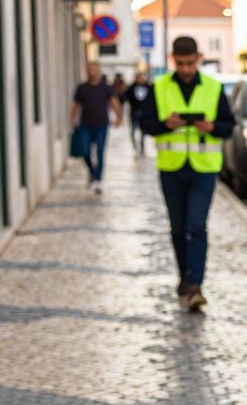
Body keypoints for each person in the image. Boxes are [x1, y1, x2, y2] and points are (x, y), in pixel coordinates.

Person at [139, 36, 236, 311]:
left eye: (190, 63)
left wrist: (212, 127)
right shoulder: (159, 87)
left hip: (204, 169)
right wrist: (165, 124)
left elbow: (229, 126)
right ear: (173, 59)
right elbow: (145, 124)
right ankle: (185, 276)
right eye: (180, 63)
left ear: (198, 59)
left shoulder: (213, 87)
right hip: (171, 168)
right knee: (178, 229)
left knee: (196, 226)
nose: (185, 69)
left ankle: (195, 285)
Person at [70, 61, 123, 194]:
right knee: (85, 151)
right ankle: (92, 172)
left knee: (100, 152)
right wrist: (72, 119)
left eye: (94, 69)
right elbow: (76, 105)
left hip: (101, 125)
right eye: (90, 69)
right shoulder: (82, 88)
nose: (92, 72)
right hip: (85, 125)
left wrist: (118, 117)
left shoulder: (106, 87)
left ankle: (98, 179)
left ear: (98, 70)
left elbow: (114, 102)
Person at [121, 71, 152, 156]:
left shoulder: (148, 87)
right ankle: (135, 146)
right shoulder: (131, 87)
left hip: (144, 113)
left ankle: (142, 147)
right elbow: (125, 97)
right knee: (133, 131)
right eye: (139, 77)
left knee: (143, 132)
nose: (140, 79)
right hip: (134, 112)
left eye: (142, 77)